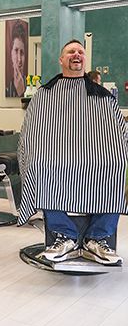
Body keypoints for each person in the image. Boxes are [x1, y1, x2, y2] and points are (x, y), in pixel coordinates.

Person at [18, 39, 128, 265]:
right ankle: (64, 236)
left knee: (117, 163)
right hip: (54, 154)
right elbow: (31, 133)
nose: (76, 55)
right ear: (61, 59)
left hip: (95, 154)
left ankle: (97, 239)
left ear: (85, 59)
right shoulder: (44, 94)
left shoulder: (103, 96)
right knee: (41, 163)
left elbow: (118, 132)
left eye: (80, 52)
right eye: (70, 52)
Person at [6, 20, 28, 97]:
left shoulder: (30, 87)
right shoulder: (8, 89)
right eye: (16, 51)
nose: (19, 59)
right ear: (11, 54)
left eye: (22, 52)